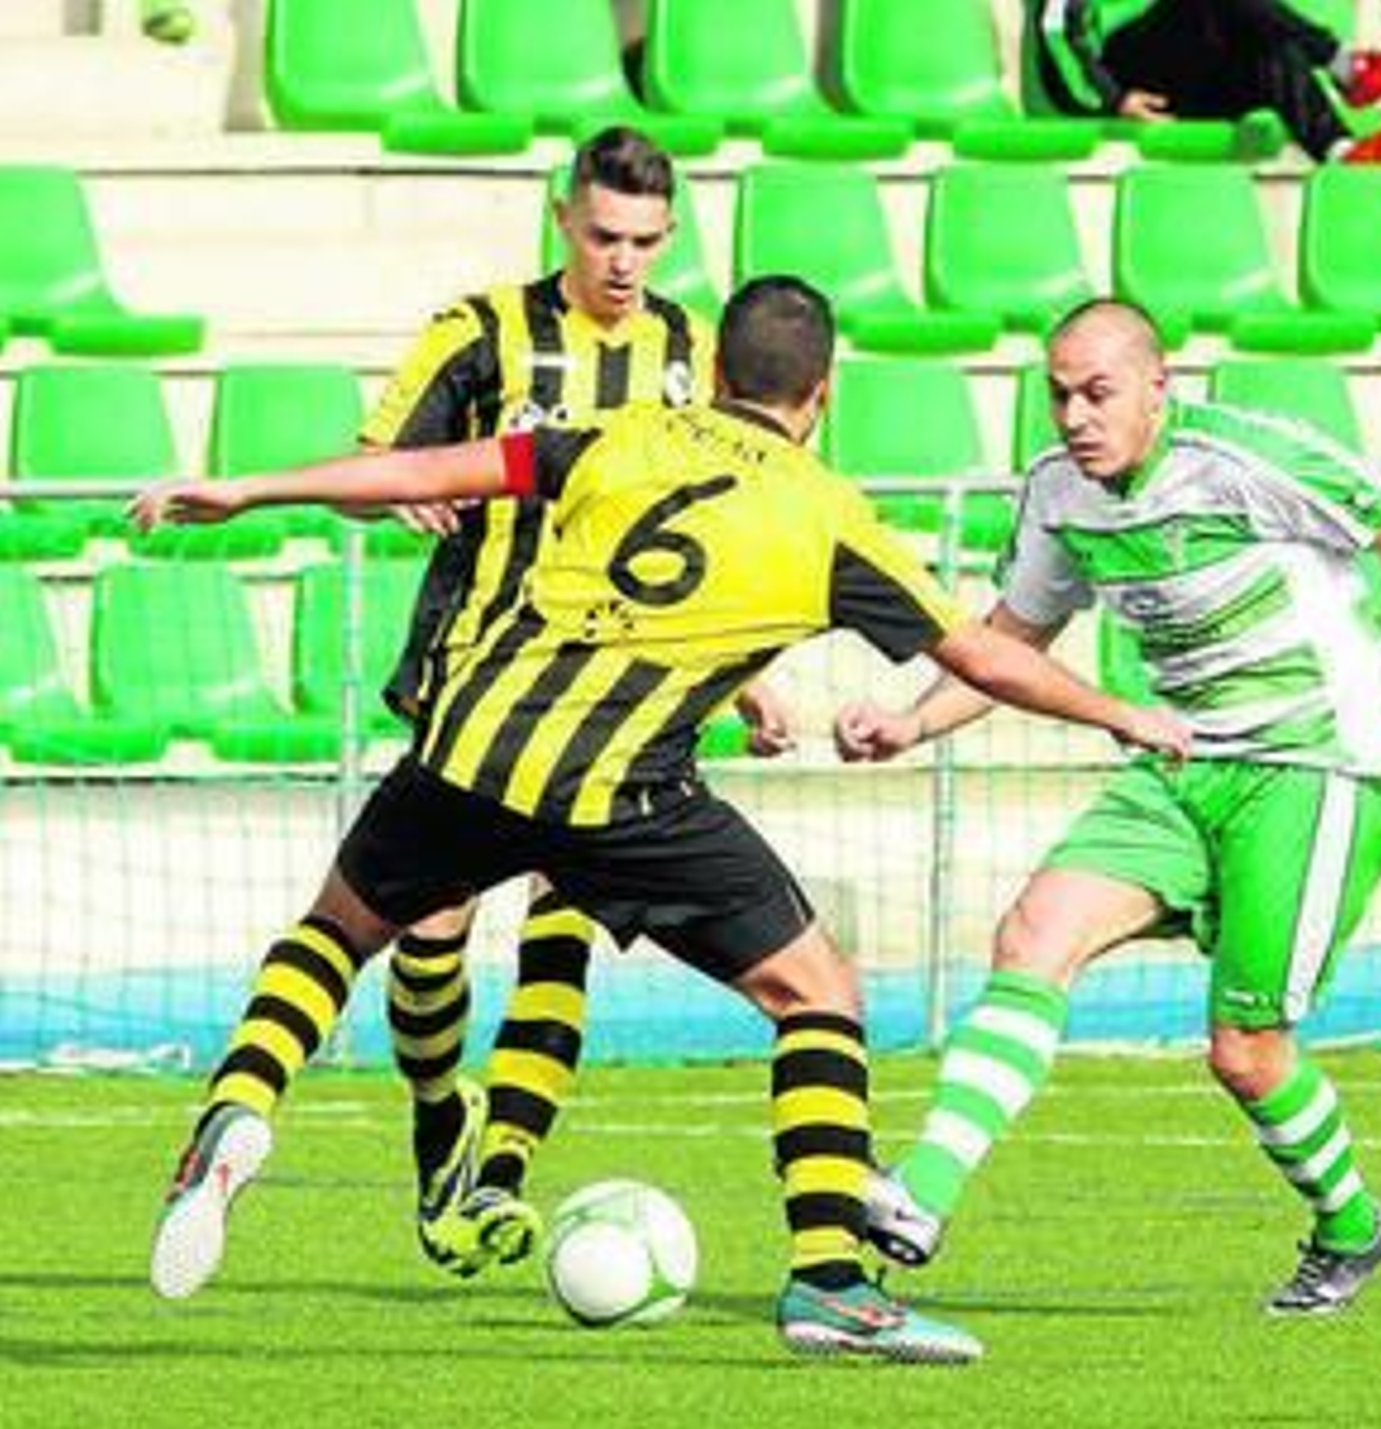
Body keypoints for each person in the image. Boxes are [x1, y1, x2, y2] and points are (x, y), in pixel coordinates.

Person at [133, 275, 1191, 1363]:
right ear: (823, 393)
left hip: (470, 747)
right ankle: (830, 1282)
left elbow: (423, 469)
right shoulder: (827, 515)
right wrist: (1121, 713)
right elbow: (982, 656)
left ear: (716, 370)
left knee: (335, 932)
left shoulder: (619, 434)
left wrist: (248, 489)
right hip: (624, 794)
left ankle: (241, 1104)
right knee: (817, 994)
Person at [838, 298, 1381, 1316]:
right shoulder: (1057, 493)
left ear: (1158, 388)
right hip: (1179, 757)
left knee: (1245, 1055)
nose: (1076, 416)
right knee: (1033, 932)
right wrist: (912, 720)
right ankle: (920, 1193)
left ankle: (1350, 1225)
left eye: (1098, 393)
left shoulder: (1240, 457)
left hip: (1314, 763)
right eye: (1059, 395)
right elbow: (1012, 637)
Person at [359, 125, 738, 1276]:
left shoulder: (690, 348)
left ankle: (503, 1172)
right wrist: (395, 495)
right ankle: (440, 1115)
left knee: (563, 916)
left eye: (646, 241)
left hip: (617, 684)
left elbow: (730, 518)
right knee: (431, 935)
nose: (624, 261)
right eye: (605, 235)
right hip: (475, 666)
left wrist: (752, 674)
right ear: (565, 219)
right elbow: (371, 464)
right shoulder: (480, 332)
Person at [1030, 0, 1381, 164]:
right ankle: (1350, 70)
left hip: (1182, 78)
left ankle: (1342, 152)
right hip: (1124, 75)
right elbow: (1056, 32)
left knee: (1273, 48)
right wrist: (1114, 98)